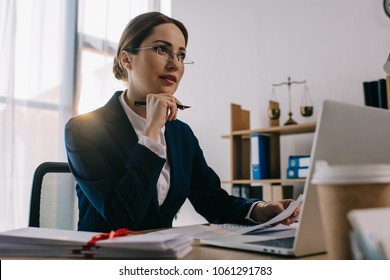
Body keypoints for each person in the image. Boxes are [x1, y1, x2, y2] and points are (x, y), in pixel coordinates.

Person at [65, 12, 300, 233]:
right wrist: (152, 132)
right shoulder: (84, 130)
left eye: (181, 55)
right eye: (161, 49)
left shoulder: (181, 134)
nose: (175, 64)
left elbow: (212, 201)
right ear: (126, 58)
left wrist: (259, 210)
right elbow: (123, 218)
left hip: (162, 258)